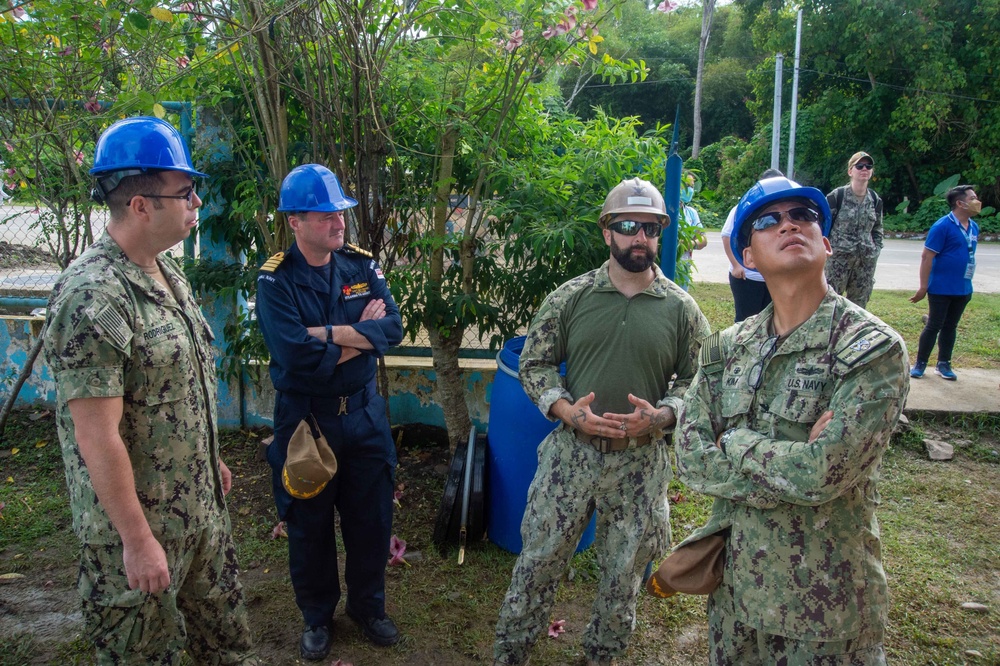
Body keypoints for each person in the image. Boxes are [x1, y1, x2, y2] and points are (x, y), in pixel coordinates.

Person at [43, 116, 258, 664]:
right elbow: (97, 436)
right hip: (138, 533)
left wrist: (209, 460)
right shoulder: (93, 295)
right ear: (141, 205)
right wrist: (137, 542)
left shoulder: (164, 271)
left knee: (228, 647)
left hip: (197, 511)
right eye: (185, 194)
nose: (196, 206)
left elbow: (174, 387)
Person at [675, 175, 909, 665]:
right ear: (748, 258)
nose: (788, 225)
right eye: (768, 220)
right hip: (737, 596)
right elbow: (691, 458)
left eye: (802, 216)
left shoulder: (871, 348)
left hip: (826, 611)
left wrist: (735, 441)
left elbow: (823, 473)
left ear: (825, 243)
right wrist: (796, 466)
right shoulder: (724, 348)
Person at [493, 177, 711, 666]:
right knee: (538, 565)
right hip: (571, 457)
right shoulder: (570, 298)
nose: (641, 238)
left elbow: (702, 381)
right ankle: (510, 655)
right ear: (607, 232)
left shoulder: (682, 310)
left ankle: (602, 658)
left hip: (640, 467)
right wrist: (566, 409)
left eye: (651, 228)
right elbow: (534, 363)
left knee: (622, 580)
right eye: (630, 226)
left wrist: (665, 414)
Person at [255, 163, 403, 660]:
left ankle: (368, 607)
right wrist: (360, 337)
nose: (338, 222)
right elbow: (295, 356)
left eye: (340, 211)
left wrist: (327, 335)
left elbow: (394, 329)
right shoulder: (277, 281)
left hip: (364, 416)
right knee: (309, 523)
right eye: (324, 215)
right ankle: (317, 616)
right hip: (306, 420)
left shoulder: (361, 266)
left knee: (371, 519)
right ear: (294, 221)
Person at [908, 185, 980, 381]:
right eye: (972, 198)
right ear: (960, 203)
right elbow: (927, 257)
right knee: (934, 325)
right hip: (941, 287)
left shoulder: (973, 227)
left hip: (963, 288)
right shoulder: (942, 226)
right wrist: (923, 287)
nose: (977, 201)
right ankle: (920, 363)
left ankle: (944, 364)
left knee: (951, 326)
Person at [720, 169, 782, 322]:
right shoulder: (743, 208)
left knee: (774, 321)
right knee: (746, 321)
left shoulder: (785, 210)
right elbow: (726, 236)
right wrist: (736, 265)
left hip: (774, 278)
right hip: (747, 278)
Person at [825, 151, 884, 309]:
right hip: (838, 263)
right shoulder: (837, 196)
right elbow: (821, 227)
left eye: (868, 166)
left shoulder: (875, 200)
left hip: (865, 264)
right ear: (851, 171)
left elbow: (877, 229)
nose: (864, 169)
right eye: (860, 166)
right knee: (829, 305)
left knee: (858, 309)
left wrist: (875, 250)